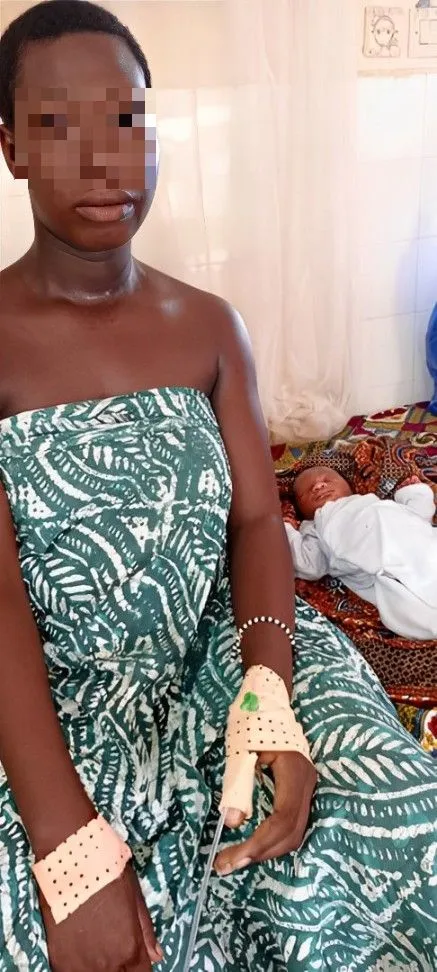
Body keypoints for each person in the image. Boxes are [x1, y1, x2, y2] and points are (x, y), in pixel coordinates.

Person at [0, 3, 435, 970]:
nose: (103, 156)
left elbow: (251, 523)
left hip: (229, 651)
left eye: (125, 119)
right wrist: (67, 847)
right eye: (58, 123)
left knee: (396, 824)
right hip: (53, 704)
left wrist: (266, 694)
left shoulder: (208, 327)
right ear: (10, 148)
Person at [287, 465, 437, 639]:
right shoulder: (314, 525)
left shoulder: (372, 501)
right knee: (414, 611)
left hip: (419, 541)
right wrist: (287, 531)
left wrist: (413, 492)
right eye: (307, 491)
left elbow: (419, 515)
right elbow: (310, 564)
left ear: (349, 486)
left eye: (327, 480)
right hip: (382, 570)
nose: (318, 486)